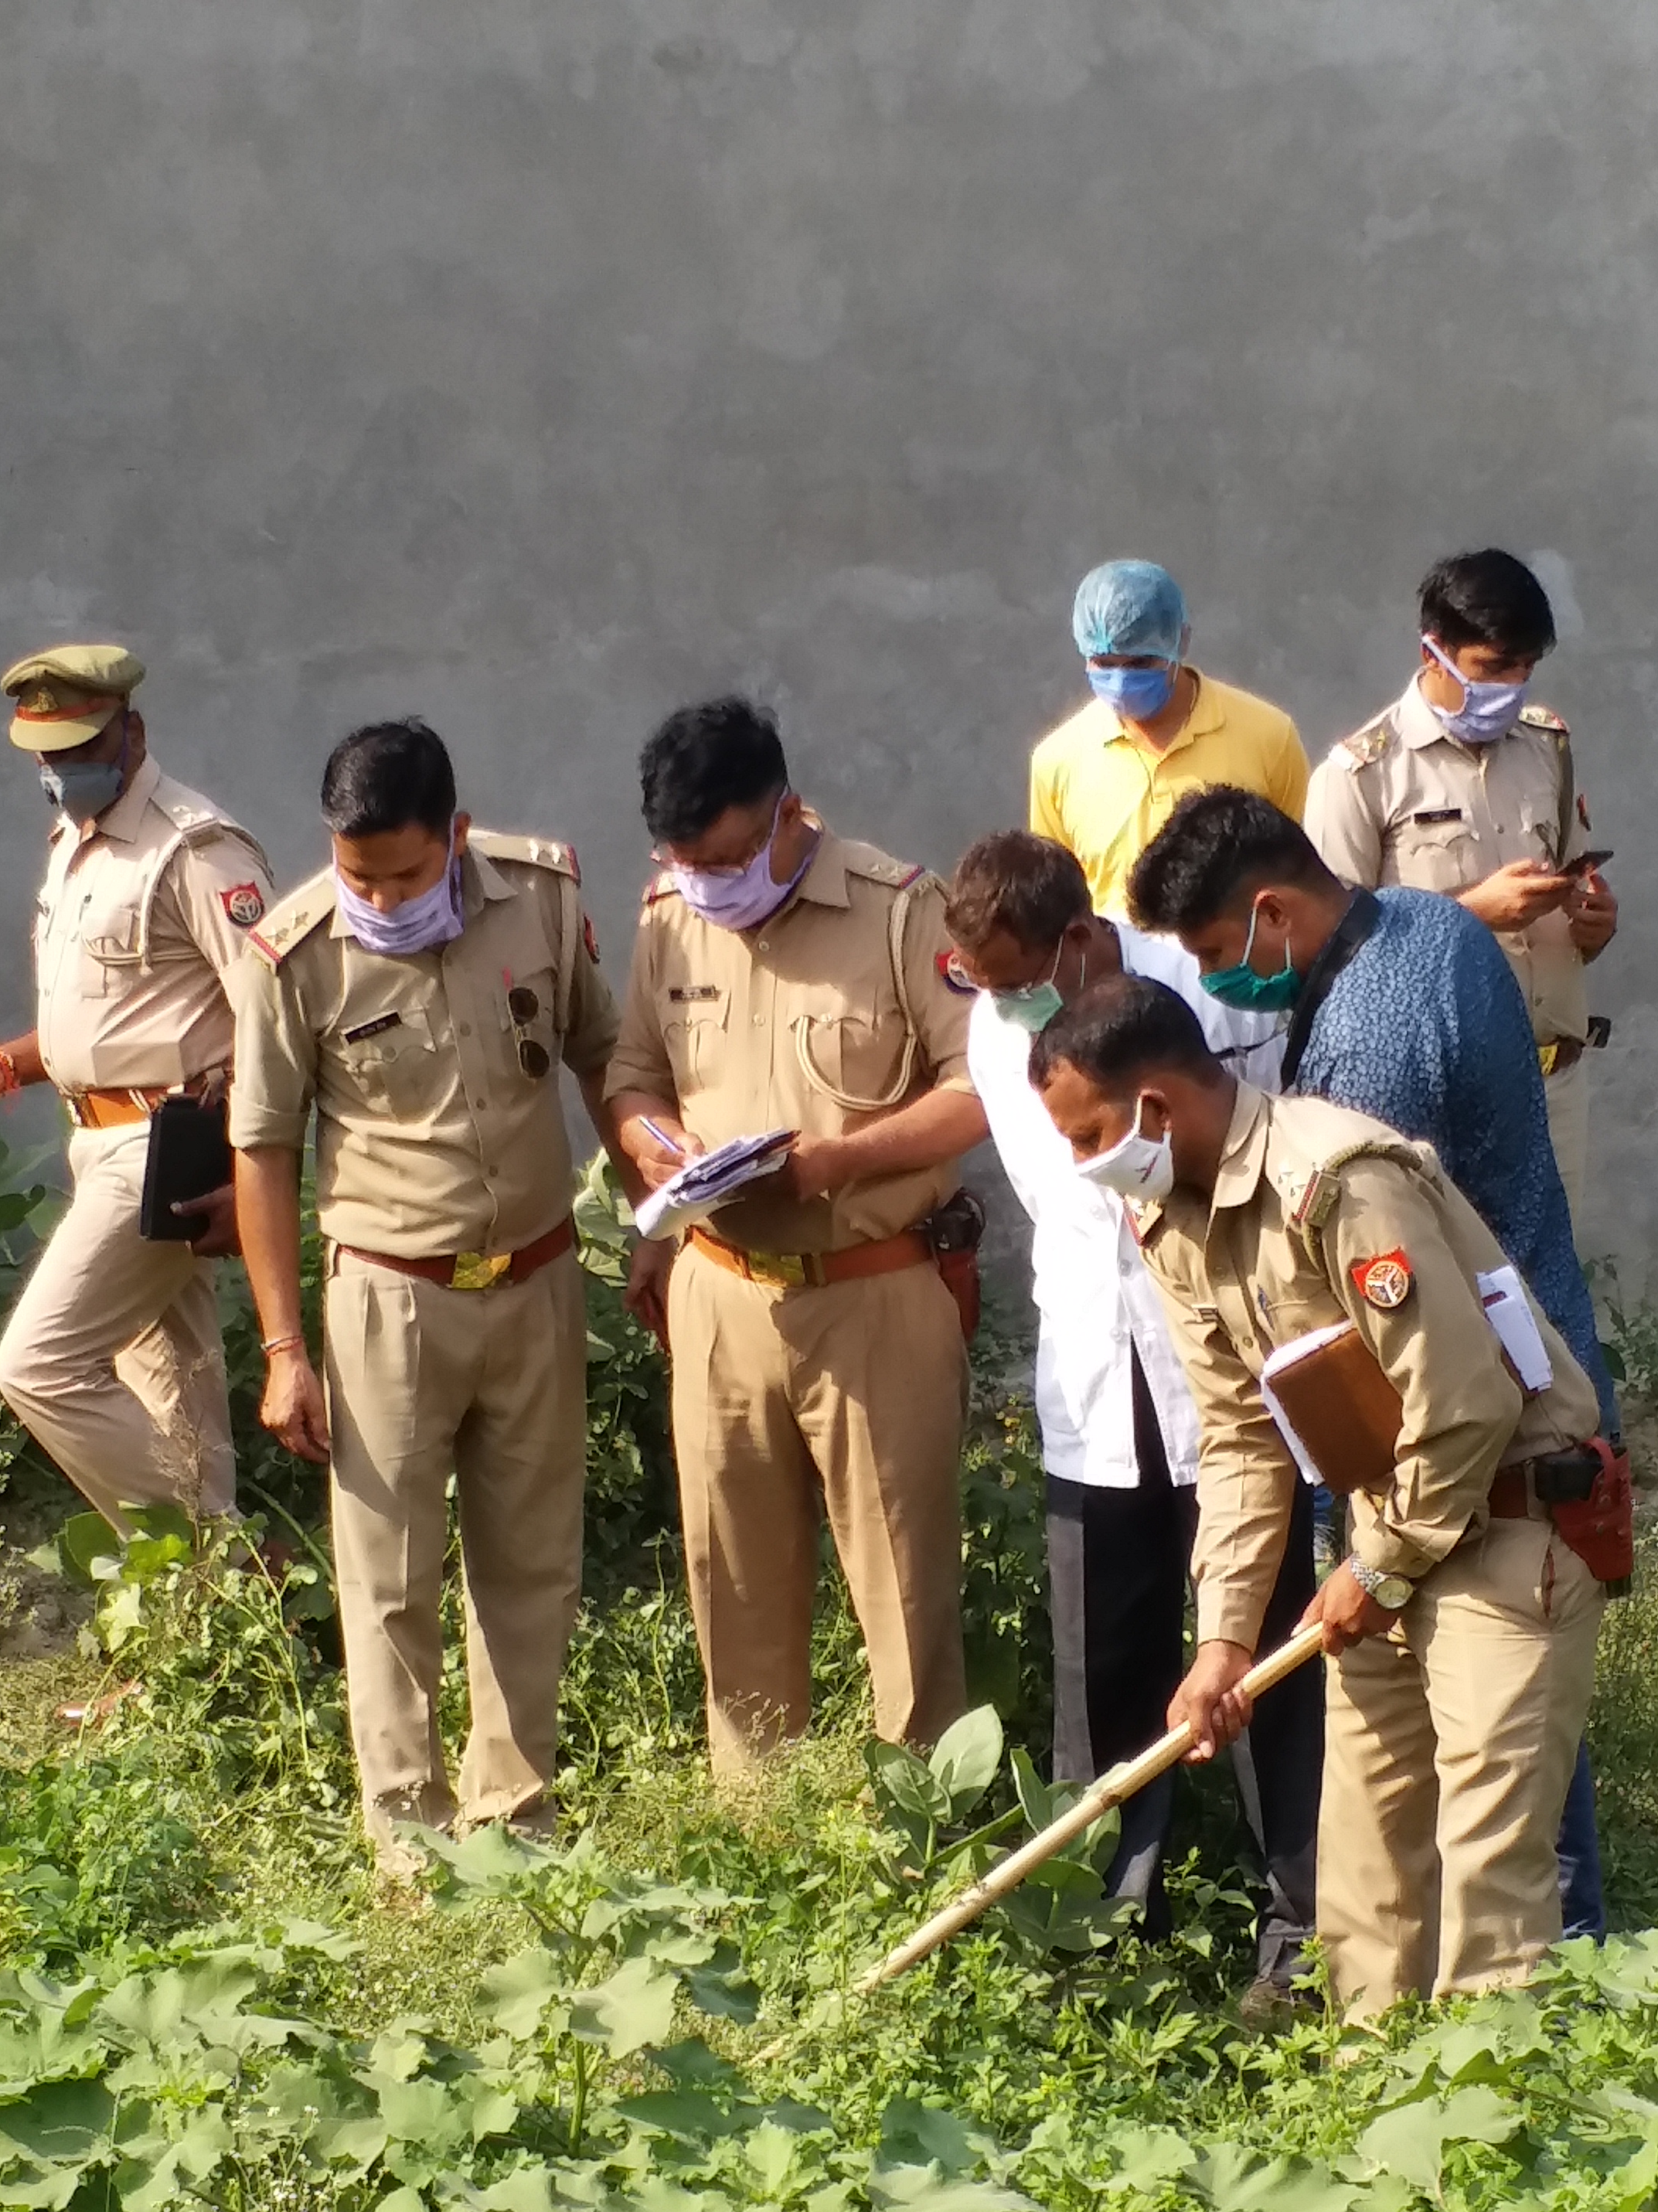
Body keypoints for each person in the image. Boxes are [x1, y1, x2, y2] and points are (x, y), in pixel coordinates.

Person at [1029, 977, 1616, 2016]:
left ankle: (1503, 2138)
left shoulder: (1340, 1181)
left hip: (1505, 1523)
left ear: (1156, 1107)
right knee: (1365, 1872)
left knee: (1487, 1867)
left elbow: (1468, 1401)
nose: (1084, 1166)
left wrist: (1371, 1571)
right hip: (1386, 1536)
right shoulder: (1171, 1223)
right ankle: (1369, 2116)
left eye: (1090, 1135)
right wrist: (1221, 1646)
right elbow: (1241, 1437)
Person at [1125, 784, 1619, 1938]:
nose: (1215, 983)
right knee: (1527, 1747)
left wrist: (1368, 1540)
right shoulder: (1428, 922)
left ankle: (1543, 1995)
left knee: (1494, 1779)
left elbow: (1363, 1313)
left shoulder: (1366, 1047)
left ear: (1272, 913)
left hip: (1472, 1424)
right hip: (1518, 1381)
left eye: (1214, 951)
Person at [225, 720, 616, 1870]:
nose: (383, 897)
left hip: (538, 1282)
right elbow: (262, 1149)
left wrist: (655, 1219)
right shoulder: (296, 955)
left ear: (455, 833)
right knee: (388, 1576)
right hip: (392, 1300)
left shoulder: (539, 898)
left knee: (531, 1560)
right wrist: (284, 1346)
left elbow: (599, 1049)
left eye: (406, 872)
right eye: (359, 876)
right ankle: (409, 1838)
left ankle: (517, 1817)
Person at [940, 829, 1317, 2014]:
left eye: (1022, 979)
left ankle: (1302, 1933)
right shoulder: (996, 1029)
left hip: (1226, 1375)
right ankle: (1104, 1930)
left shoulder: (1197, 980)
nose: (1005, 1006)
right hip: (1096, 1385)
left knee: (1260, 1659)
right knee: (1099, 1666)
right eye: (987, 990)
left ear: (1078, 937)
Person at [601, 698, 989, 1776]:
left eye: (725, 858)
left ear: (786, 814)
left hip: (875, 1291)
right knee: (732, 1585)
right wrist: (654, 1142)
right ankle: (762, 1841)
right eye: (685, 863)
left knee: (904, 1591)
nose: (708, 884)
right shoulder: (668, 914)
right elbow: (631, 1076)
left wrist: (837, 1161)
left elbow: (982, 1091)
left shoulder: (900, 910)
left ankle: (927, 1841)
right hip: (719, 1291)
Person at [0, 644, 271, 1527]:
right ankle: (203, 1638)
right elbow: (110, 1021)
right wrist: (6, 1064)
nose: (61, 770)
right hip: (104, 1141)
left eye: (79, 747)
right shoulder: (76, 845)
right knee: (171, 1388)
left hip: (175, 1146)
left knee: (39, 1366)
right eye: (47, 754)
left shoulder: (196, 849)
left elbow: (279, 1024)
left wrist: (253, 1173)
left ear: (132, 731)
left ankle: (220, 1559)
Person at [1302, 550, 1617, 1224]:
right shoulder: (1361, 775)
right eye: (1493, 669)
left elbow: (1568, 877)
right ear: (1434, 652)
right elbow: (1326, 961)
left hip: (1552, 1080)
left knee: (1550, 1307)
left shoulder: (1546, 745)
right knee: (1456, 1307)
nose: (1512, 688)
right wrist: (1472, 913)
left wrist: (1591, 923)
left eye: (1526, 669)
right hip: (1438, 1097)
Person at [1026, 560, 1311, 918]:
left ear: (1181, 641)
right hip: (1115, 970)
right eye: (1104, 663)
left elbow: (1298, 875)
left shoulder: (1268, 736)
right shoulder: (1057, 761)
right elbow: (1057, 903)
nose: (1121, 680)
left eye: (1141, 663)